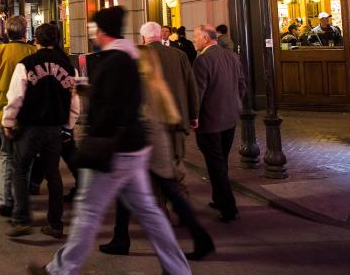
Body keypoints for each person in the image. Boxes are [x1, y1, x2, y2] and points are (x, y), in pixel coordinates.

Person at [28, 7, 191, 275]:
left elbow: (111, 107)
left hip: (113, 150)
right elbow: (124, 97)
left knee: (88, 213)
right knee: (149, 211)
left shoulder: (113, 60)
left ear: (102, 31)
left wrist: (89, 143)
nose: (91, 32)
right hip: (133, 146)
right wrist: (89, 89)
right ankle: (178, 269)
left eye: (93, 28)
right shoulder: (130, 56)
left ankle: (60, 269)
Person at [100, 45, 214, 260]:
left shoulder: (140, 84)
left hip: (145, 146)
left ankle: (198, 239)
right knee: (146, 193)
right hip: (156, 145)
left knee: (158, 193)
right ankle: (121, 238)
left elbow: (135, 116)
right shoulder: (156, 83)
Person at [2, 23, 80, 239]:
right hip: (55, 127)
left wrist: (8, 122)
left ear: (35, 39)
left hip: (30, 126)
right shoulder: (69, 66)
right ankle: (55, 223)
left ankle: (21, 219)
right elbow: (75, 101)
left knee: (20, 170)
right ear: (56, 40)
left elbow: (16, 97)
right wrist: (68, 126)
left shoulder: (26, 64)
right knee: (53, 174)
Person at [0, 15, 35, 217]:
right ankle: (21, 198)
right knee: (25, 158)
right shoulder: (33, 51)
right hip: (29, 113)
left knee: (5, 154)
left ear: (6, 32)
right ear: (24, 31)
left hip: (3, 111)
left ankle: (4, 198)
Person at [193, 23, 245, 222]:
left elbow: (198, 93)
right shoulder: (232, 56)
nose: (194, 40)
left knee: (215, 164)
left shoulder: (203, 61)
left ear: (206, 38)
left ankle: (228, 207)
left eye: (196, 36)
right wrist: (235, 105)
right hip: (229, 119)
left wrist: (193, 117)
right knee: (221, 160)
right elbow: (242, 84)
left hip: (210, 122)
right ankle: (218, 198)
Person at [139, 21, 198, 194]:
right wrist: (193, 115)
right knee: (176, 163)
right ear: (160, 34)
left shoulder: (141, 57)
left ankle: (162, 210)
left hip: (152, 123)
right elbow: (190, 86)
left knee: (155, 171)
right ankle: (181, 206)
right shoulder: (179, 55)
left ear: (144, 38)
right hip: (177, 120)